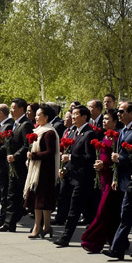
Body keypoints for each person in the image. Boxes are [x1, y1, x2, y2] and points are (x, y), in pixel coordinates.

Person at [80, 108, 124, 253]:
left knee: (103, 211)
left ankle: (91, 240)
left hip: (112, 179)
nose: (104, 122)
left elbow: (117, 161)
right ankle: (115, 242)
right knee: (111, 213)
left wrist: (105, 165)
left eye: (107, 119)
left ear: (115, 122)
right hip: (103, 178)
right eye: (103, 119)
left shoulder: (117, 137)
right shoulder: (105, 136)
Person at [54, 104, 98, 246]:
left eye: (76, 115)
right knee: (87, 209)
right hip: (71, 175)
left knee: (74, 209)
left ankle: (66, 238)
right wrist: (64, 168)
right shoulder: (75, 132)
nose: (73, 117)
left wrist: (71, 158)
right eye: (72, 114)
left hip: (82, 178)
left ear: (84, 117)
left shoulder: (89, 133)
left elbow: (89, 157)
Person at [102, 101, 132, 260]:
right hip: (124, 180)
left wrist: (121, 158)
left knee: (125, 215)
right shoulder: (123, 130)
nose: (118, 114)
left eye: (122, 111)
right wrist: (116, 177)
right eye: (118, 111)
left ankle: (116, 249)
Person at [0, 98, 33, 232]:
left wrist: (15, 156)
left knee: (20, 196)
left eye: (13, 108)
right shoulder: (15, 124)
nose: (11, 111)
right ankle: (9, 224)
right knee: (11, 195)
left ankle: (37, 223)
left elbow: (26, 145)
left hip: (20, 166)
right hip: (12, 166)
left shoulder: (25, 124)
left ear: (21, 109)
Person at [24, 103, 60, 239]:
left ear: (46, 117)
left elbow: (51, 152)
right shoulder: (38, 130)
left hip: (45, 171)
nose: (36, 117)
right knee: (36, 200)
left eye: (39, 115)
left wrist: (34, 156)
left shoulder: (49, 132)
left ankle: (45, 225)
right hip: (37, 170)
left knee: (43, 200)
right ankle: (38, 226)